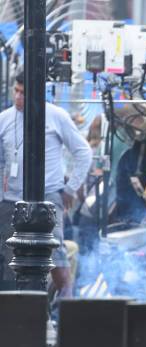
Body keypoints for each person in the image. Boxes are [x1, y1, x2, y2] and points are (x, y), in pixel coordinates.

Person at [0, 71, 92, 293]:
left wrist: (70, 189)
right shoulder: (4, 118)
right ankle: (16, 314)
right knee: (10, 258)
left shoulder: (56, 116)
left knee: (56, 256)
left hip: (48, 196)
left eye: (24, 92)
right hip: (11, 199)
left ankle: (66, 313)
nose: (19, 97)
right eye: (17, 91)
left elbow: (83, 152)